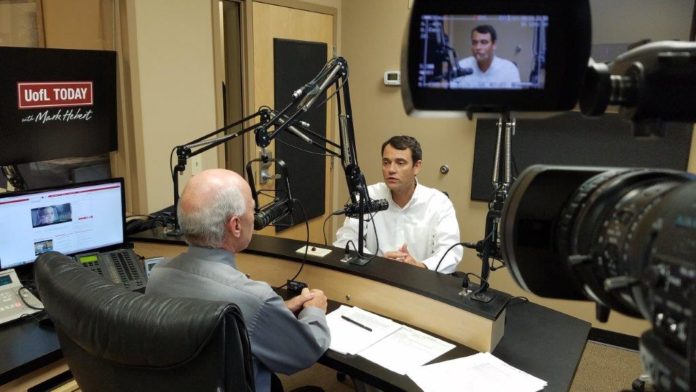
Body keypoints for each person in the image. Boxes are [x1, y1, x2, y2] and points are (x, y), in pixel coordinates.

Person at [145, 169, 330, 392]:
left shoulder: (157, 276)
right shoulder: (255, 299)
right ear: (235, 225)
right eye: (252, 209)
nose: (256, 217)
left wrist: (278, 311)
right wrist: (315, 310)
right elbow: (305, 352)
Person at [333, 135, 462, 274]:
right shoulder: (368, 195)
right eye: (386, 162)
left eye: (400, 163)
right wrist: (378, 262)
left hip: (419, 281)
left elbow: (451, 252)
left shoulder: (438, 202)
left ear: (417, 166)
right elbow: (345, 240)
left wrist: (420, 266)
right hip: (375, 276)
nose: (391, 169)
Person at [453, 24, 521, 88]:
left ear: (494, 44)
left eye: (484, 42)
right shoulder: (461, 67)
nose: (478, 47)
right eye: (474, 42)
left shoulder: (509, 69)